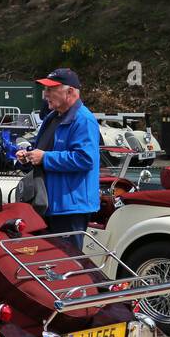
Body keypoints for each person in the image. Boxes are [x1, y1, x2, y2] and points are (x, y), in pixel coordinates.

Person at [15, 68, 100, 237]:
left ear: (70, 92)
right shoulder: (52, 117)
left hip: (70, 209)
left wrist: (45, 157)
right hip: (49, 205)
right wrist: (29, 157)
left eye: (50, 89)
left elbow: (85, 159)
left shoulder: (84, 120)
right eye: (45, 89)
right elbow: (43, 152)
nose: (45, 94)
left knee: (68, 261)